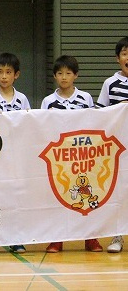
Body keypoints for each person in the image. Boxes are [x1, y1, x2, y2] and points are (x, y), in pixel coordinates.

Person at [41, 55, 102, 253]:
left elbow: (93, 124)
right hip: (60, 158)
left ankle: (91, 238)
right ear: (54, 76)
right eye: (60, 73)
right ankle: (57, 239)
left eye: (68, 73)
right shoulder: (48, 101)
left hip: (83, 156)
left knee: (88, 194)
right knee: (59, 196)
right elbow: (42, 127)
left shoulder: (85, 98)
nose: (64, 77)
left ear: (76, 75)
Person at [0, 52, 31, 255]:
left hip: (15, 155)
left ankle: (15, 238)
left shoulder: (22, 99)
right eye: (0, 72)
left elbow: (29, 124)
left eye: (8, 72)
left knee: (14, 198)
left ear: (16, 75)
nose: (4, 76)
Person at [95, 36, 128, 254]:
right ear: (118, 59)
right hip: (119, 149)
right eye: (125, 54)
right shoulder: (110, 83)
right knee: (119, 192)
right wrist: (119, 109)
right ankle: (118, 235)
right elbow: (100, 114)